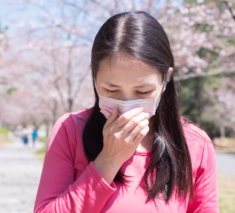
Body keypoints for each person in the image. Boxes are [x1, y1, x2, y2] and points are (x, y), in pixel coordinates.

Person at [34, 11, 219, 213]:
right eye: (111, 90)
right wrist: (108, 161)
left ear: (166, 80)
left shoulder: (195, 144)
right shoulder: (70, 130)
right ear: (94, 77)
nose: (127, 105)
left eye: (143, 91)